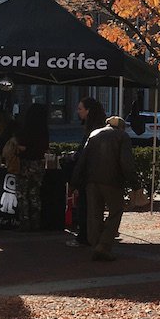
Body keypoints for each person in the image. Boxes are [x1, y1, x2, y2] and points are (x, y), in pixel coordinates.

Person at [70, 115, 136, 262]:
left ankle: (96, 244)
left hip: (91, 181)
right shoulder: (122, 136)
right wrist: (134, 183)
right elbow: (126, 163)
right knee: (115, 211)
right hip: (112, 181)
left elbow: (82, 160)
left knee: (94, 214)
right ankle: (104, 245)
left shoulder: (93, 134)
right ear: (121, 127)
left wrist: (75, 181)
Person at [69, 96, 105, 247]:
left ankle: (85, 237)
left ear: (88, 111)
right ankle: (92, 235)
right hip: (98, 175)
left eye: (80, 109)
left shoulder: (92, 132)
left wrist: (74, 157)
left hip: (89, 176)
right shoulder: (100, 128)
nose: (78, 112)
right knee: (94, 207)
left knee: (86, 207)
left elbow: (85, 154)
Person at [16, 103, 50, 232]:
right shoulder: (44, 129)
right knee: (35, 194)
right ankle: (36, 222)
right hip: (39, 163)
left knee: (23, 194)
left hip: (26, 163)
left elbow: (22, 147)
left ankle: (25, 222)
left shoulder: (26, 129)